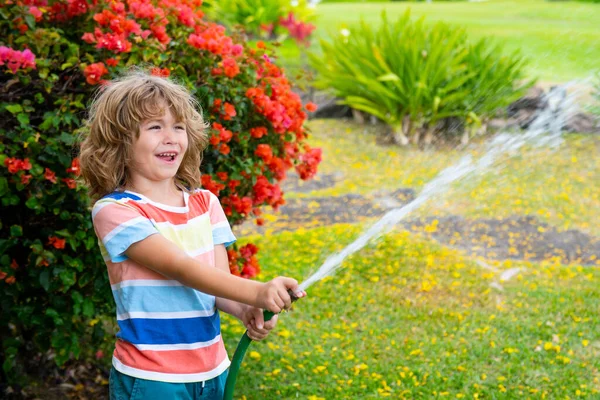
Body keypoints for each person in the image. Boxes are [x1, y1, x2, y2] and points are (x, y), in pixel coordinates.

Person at [79, 69, 305, 400]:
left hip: (213, 370)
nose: (170, 137)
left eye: (179, 127)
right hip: (151, 377)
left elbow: (215, 282)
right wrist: (257, 291)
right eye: (155, 127)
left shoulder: (205, 204)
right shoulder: (116, 211)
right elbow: (182, 268)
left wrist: (244, 309)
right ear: (120, 142)